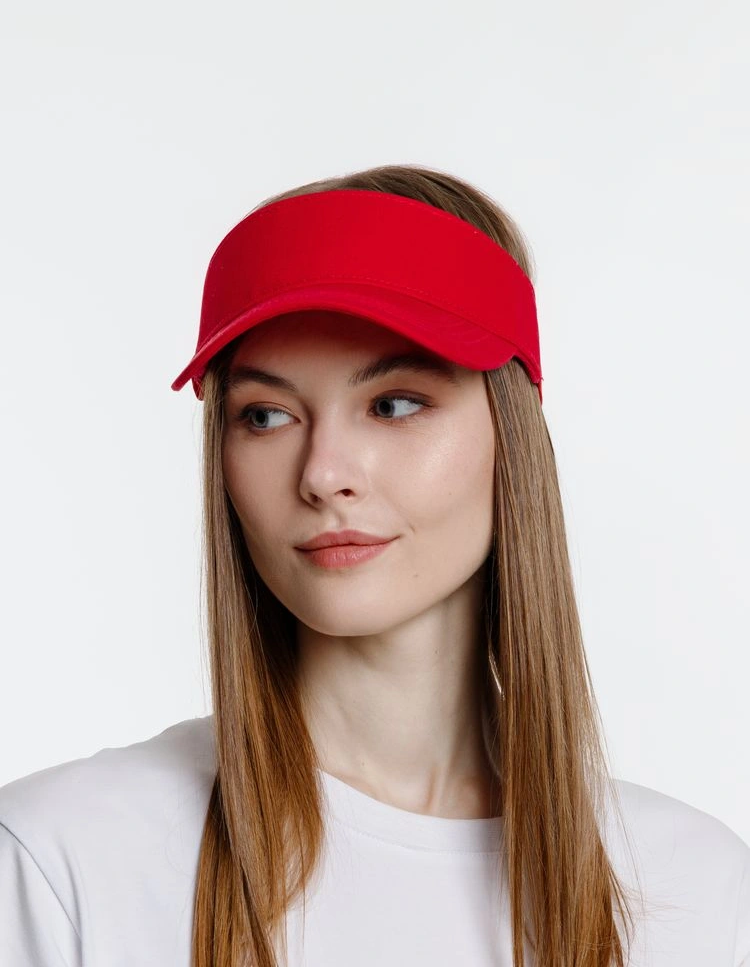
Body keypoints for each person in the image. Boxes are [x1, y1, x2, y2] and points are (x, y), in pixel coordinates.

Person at [1, 164, 748, 967]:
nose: (323, 474)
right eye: (266, 415)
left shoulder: (699, 893)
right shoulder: (63, 864)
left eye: (393, 404)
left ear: (513, 429)